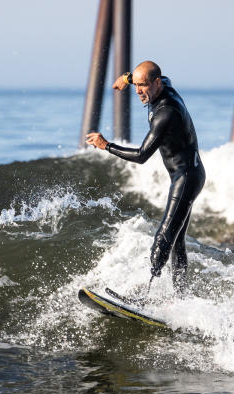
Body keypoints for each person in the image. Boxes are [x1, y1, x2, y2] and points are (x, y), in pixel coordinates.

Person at [86, 60, 206, 294]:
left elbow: (141, 155)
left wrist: (106, 145)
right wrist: (126, 78)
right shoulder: (162, 84)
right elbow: (143, 77)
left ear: (157, 83)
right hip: (189, 174)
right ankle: (181, 296)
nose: (139, 91)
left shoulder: (166, 113)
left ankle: (145, 297)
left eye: (143, 86)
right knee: (177, 241)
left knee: (163, 238)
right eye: (136, 86)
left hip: (186, 178)